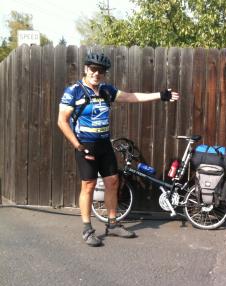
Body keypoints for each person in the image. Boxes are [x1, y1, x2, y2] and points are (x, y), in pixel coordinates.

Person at [58, 51, 179, 247]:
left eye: (101, 71)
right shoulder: (74, 91)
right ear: (86, 69)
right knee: (88, 185)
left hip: (105, 144)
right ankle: (87, 229)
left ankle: (112, 224)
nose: (97, 74)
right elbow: (62, 121)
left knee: (113, 182)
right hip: (85, 145)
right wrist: (78, 146)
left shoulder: (106, 90)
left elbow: (132, 97)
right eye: (93, 69)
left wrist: (160, 95)